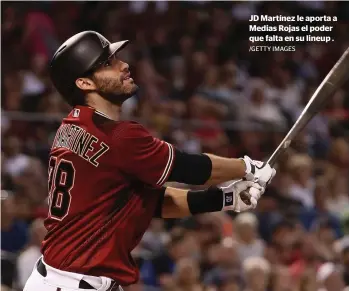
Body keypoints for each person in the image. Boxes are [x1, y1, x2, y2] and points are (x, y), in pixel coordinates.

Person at [24, 31, 276, 291]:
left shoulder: (70, 127)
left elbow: (150, 202)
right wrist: (247, 167)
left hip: (61, 278)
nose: (123, 65)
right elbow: (192, 169)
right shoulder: (117, 136)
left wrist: (224, 198)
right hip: (73, 282)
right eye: (108, 63)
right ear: (84, 83)